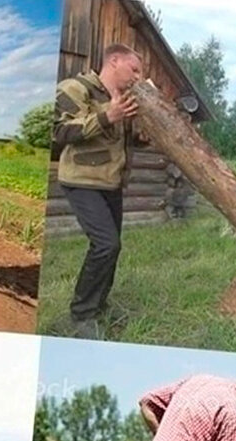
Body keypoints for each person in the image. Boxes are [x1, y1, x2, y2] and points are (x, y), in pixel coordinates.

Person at [54, 43, 145, 339]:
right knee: (106, 244)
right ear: (114, 61)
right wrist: (108, 115)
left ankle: (99, 306)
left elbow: (125, 140)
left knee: (112, 247)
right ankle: (81, 315)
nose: (138, 77)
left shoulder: (124, 99)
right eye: (134, 69)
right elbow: (60, 132)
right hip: (81, 180)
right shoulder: (76, 88)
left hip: (110, 182)